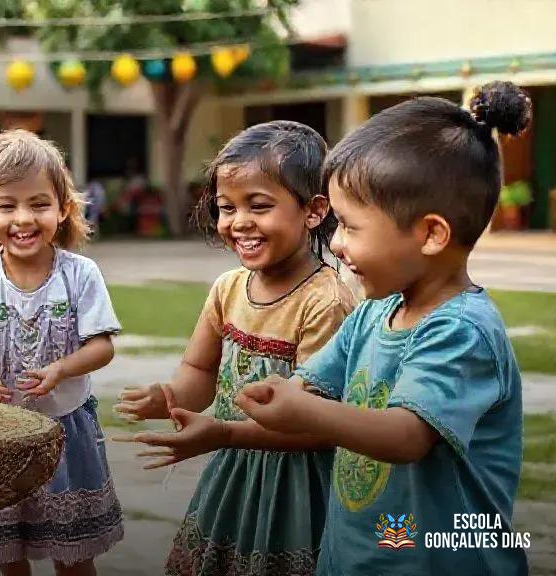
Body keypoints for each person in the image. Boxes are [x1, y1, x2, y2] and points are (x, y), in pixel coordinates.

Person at [233, 82, 531, 574]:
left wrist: (300, 408)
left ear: (431, 234)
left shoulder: (461, 331)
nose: (338, 245)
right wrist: (275, 396)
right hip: (357, 557)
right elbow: (312, 383)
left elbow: (406, 435)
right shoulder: (375, 312)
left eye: (350, 226)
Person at [117, 121, 356, 575]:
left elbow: (320, 424)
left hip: (298, 484)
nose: (239, 222)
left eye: (259, 206)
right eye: (227, 207)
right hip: (233, 475)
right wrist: (169, 398)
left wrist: (223, 432)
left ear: (314, 211)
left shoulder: (324, 301)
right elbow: (199, 370)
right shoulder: (228, 288)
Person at [0, 130, 123, 576]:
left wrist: (61, 369)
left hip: (67, 429)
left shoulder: (80, 274)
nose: (23, 218)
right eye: (7, 205)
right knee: (12, 551)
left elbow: (101, 347)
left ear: (63, 208)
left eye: (39, 204)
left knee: (73, 553)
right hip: (4, 433)